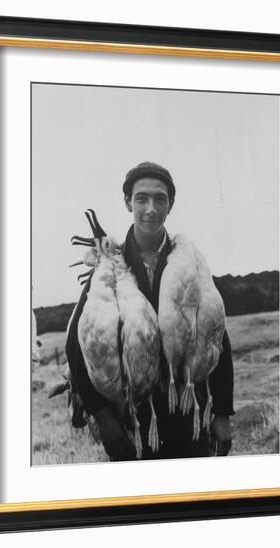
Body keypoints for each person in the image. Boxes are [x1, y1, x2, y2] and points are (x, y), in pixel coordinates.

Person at [66, 161, 234, 461]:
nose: (151, 209)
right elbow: (77, 345)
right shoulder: (111, 264)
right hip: (131, 423)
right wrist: (103, 417)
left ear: (171, 204)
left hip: (187, 417)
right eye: (141, 198)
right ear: (128, 201)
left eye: (160, 199)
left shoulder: (190, 263)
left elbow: (216, 337)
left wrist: (222, 413)